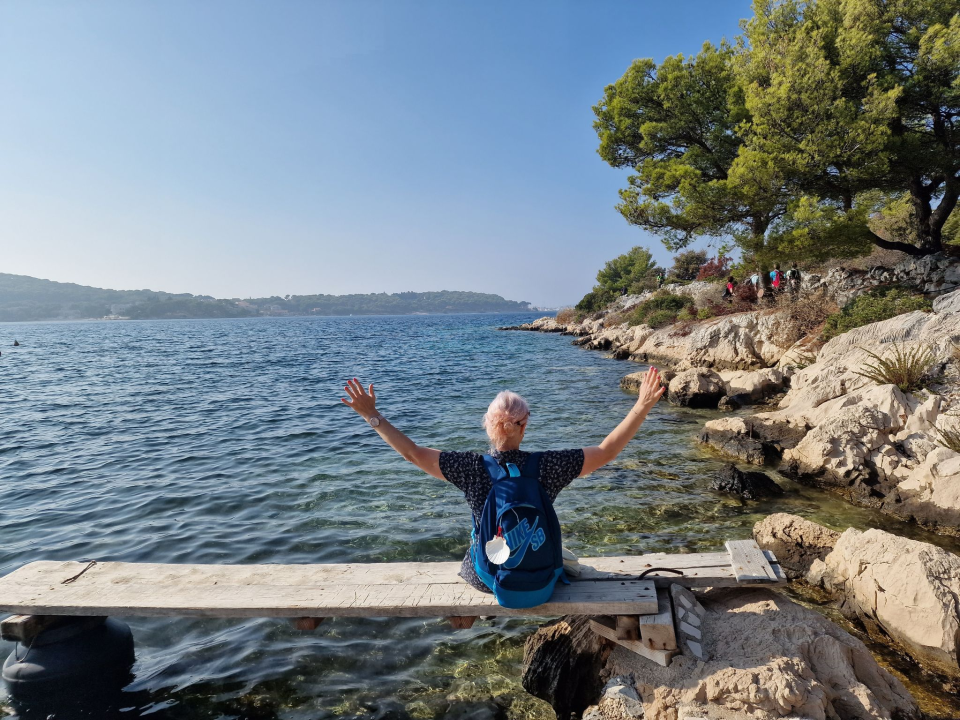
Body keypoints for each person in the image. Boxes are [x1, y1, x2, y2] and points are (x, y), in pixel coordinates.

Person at [339, 369, 665, 596]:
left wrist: (372, 415)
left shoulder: (470, 467)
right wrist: (642, 404)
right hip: (542, 582)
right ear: (523, 427)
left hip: (489, 581)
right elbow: (607, 451)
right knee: (562, 554)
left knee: (478, 545)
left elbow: (412, 453)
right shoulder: (549, 466)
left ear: (488, 425)